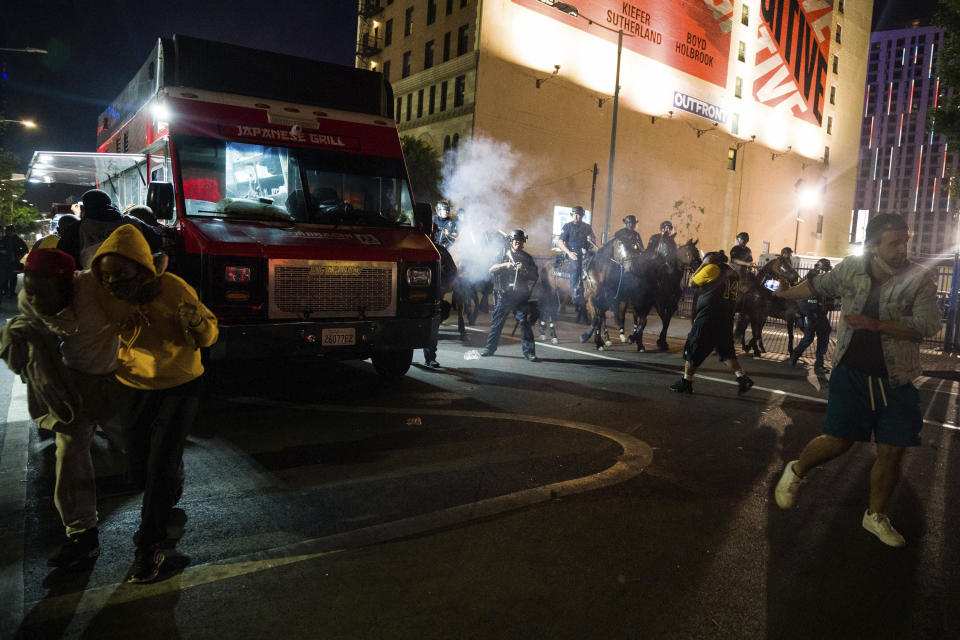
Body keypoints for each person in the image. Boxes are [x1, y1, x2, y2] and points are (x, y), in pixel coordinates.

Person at [772, 214, 939, 547]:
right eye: (894, 242)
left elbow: (928, 325)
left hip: (897, 377)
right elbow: (818, 286)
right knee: (838, 442)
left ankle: (874, 515)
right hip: (852, 373)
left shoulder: (919, 278)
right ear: (873, 246)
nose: (902, 248)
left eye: (905, 240)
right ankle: (797, 470)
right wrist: (786, 294)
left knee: (892, 452)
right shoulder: (851, 268)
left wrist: (876, 324)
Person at [90, 224, 218, 582]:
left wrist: (195, 322)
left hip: (180, 385)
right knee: (137, 466)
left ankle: (149, 546)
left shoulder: (174, 289)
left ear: (142, 269)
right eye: (107, 275)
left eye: (122, 275)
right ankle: (171, 477)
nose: (113, 282)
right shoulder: (100, 291)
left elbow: (209, 334)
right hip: (131, 384)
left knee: (158, 465)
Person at [4, 249, 127, 569]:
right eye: (29, 289)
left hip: (108, 381)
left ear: (67, 285)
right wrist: (17, 338)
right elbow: (21, 349)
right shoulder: (29, 299)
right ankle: (82, 535)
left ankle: (168, 484)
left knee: (138, 442)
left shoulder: (95, 289)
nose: (34, 298)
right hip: (71, 389)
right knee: (70, 456)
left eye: (42, 291)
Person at [669, 251, 754, 395]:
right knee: (726, 351)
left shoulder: (712, 269)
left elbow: (692, 282)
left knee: (693, 346)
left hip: (709, 316)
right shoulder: (733, 273)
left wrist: (704, 264)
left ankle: (686, 382)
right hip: (726, 318)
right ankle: (742, 378)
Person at [466, 229, 540, 362]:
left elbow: (535, 276)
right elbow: (491, 268)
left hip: (520, 297)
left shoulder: (527, 258)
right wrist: (506, 265)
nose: (518, 243)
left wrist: (524, 270)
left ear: (523, 242)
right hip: (504, 295)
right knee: (496, 323)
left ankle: (529, 352)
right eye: (515, 240)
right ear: (511, 241)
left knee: (525, 322)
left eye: (520, 241)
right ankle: (489, 349)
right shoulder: (502, 255)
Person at [57, 189, 162, 269]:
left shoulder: (77, 229)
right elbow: (157, 242)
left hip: (93, 285)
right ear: (109, 203)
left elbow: (62, 258)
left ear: (86, 207)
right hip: (133, 278)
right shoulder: (132, 222)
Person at [788, 258, 834, 374]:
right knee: (809, 337)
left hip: (819, 313)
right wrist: (809, 309)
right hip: (809, 313)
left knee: (824, 333)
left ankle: (819, 365)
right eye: (824, 270)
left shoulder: (821, 281)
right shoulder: (809, 279)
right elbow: (800, 297)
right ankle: (794, 356)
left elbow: (826, 298)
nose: (826, 273)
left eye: (827, 270)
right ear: (818, 269)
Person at [423, 236, 458, 368]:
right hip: (413, 296)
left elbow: (453, 271)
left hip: (435, 295)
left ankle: (430, 358)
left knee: (432, 328)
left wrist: (445, 286)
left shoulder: (440, 251)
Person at [557, 206, 595, 322]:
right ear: (572, 215)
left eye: (579, 214)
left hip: (585, 252)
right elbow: (560, 242)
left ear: (582, 216)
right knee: (577, 267)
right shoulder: (567, 226)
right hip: (572, 252)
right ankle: (574, 293)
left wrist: (591, 239)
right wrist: (569, 253)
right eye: (574, 214)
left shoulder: (587, 227)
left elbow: (592, 240)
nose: (576, 216)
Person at [0, 225, 29, 299]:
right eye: (8, 231)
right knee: (4, 277)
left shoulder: (17, 239)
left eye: (11, 231)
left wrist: (19, 256)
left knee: (13, 277)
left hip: (13, 261)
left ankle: (11, 292)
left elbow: (25, 249)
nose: (9, 233)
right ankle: (6, 292)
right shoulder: (4, 239)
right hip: (4, 261)